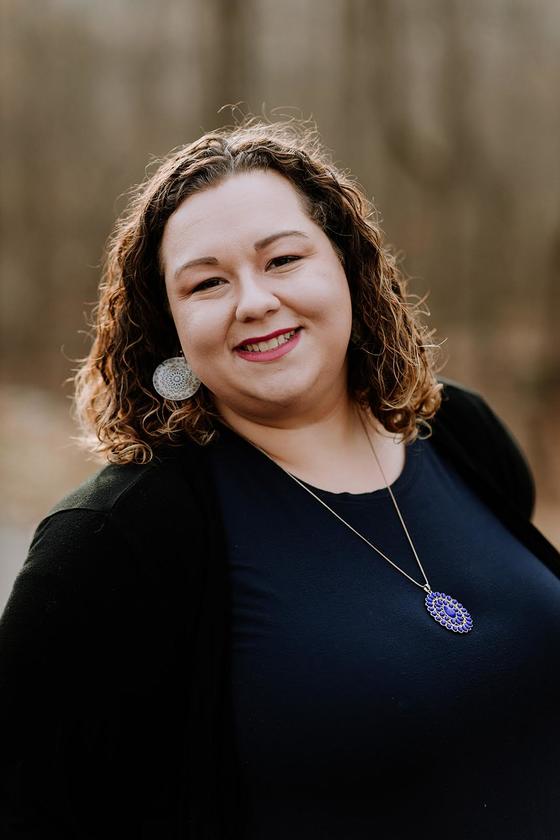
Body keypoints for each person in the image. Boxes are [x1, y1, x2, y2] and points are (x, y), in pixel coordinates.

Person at [1, 119, 559, 840]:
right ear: (170, 327)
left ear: (348, 267)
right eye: (207, 282)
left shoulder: (458, 433)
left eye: (284, 259)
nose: (254, 301)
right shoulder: (113, 543)